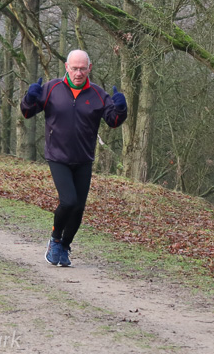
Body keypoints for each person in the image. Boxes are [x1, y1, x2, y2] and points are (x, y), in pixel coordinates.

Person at [21, 49, 127, 267]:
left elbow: (114, 121)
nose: (78, 73)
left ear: (89, 69)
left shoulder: (98, 94)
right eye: (74, 68)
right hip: (58, 156)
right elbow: (27, 113)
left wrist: (121, 108)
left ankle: (64, 246)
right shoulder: (52, 88)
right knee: (68, 201)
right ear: (67, 68)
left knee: (78, 207)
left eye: (82, 69)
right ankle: (54, 239)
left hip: (84, 158)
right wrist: (29, 98)